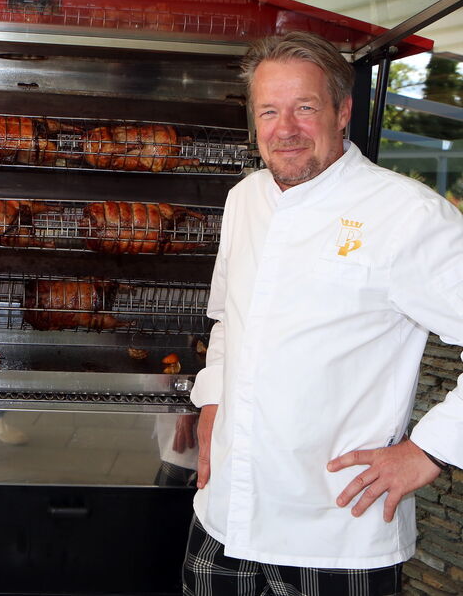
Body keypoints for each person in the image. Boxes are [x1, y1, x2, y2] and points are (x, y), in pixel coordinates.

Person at [184, 31, 463, 596]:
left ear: (343, 112)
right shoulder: (245, 199)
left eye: (305, 108)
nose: (285, 128)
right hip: (224, 514)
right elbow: (230, 318)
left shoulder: (408, 214)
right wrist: (212, 398)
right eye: (269, 111)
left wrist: (429, 450)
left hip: (337, 530)